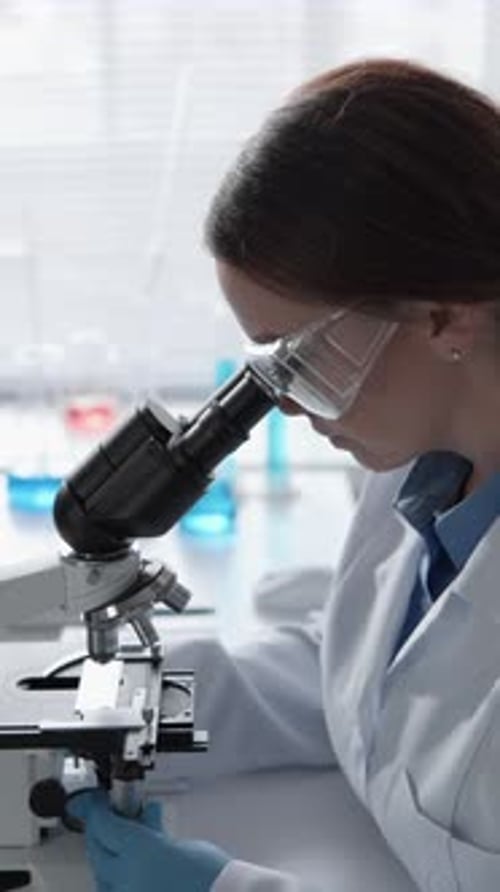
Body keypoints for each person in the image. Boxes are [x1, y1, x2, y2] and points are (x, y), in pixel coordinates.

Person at [69, 57, 500, 891]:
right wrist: (129, 706)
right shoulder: (419, 468)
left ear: (444, 315)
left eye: (302, 357)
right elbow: (377, 674)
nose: (288, 405)